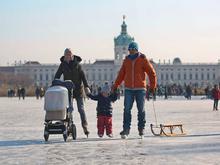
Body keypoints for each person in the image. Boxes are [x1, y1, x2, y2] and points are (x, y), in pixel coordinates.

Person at [111, 41, 157, 138]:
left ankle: (141, 129)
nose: (131, 52)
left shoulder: (143, 59)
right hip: (128, 89)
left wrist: (152, 86)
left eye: (133, 50)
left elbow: (151, 73)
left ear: (136, 50)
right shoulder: (126, 60)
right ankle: (126, 130)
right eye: (130, 50)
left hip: (140, 89)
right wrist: (115, 86)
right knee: (127, 109)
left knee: (141, 109)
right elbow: (121, 74)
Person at [55, 48, 90, 136]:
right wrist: (55, 83)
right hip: (68, 90)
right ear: (64, 56)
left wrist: (86, 87)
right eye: (66, 55)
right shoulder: (62, 65)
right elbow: (57, 76)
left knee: (81, 109)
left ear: (72, 55)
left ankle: (85, 126)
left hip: (78, 90)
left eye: (69, 55)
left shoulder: (77, 64)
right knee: (69, 109)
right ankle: (69, 126)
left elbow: (83, 76)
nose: (68, 57)